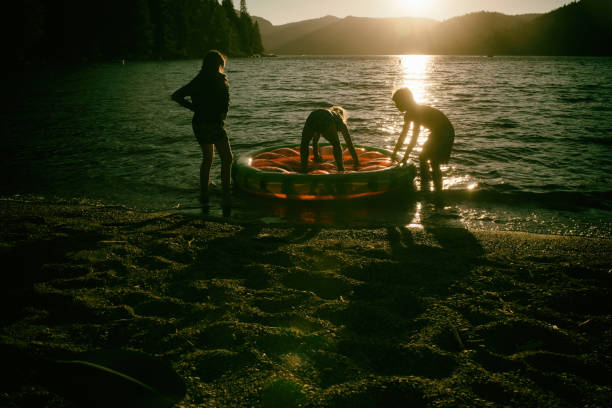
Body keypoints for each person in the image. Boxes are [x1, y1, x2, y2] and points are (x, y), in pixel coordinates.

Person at [172, 50, 233, 202]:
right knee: (227, 159)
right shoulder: (221, 79)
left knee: (207, 159)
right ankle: (226, 195)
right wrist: (221, 114)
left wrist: (195, 108)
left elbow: (176, 96)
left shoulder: (198, 80)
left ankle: (204, 194)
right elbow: (224, 108)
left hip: (199, 122)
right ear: (220, 64)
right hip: (213, 123)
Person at [391, 88, 454, 192]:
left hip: (445, 131)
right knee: (423, 157)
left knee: (433, 161)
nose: (396, 106)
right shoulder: (408, 114)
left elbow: (414, 138)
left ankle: (437, 191)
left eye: (398, 103)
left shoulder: (416, 111)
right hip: (436, 132)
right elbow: (403, 135)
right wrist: (395, 152)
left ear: (405, 101)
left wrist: (406, 156)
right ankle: (426, 187)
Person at [300, 106, 359, 173]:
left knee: (304, 143)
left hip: (313, 115)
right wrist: (356, 161)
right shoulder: (340, 120)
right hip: (326, 118)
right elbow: (349, 144)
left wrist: (316, 155)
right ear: (342, 115)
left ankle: (303, 168)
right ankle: (340, 169)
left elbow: (315, 140)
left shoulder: (330, 114)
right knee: (336, 145)